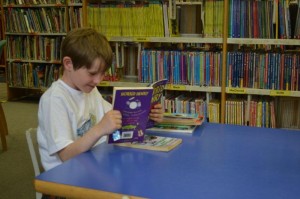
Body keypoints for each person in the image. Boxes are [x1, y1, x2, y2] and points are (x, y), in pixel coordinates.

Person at [37, 27, 164, 172]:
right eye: (92, 73)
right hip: (66, 177)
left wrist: (147, 114)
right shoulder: (54, 100)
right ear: (68, 64)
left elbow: (118, 120)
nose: (98, 80)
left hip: (94, 163)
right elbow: (66, 156)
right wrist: (99, 130)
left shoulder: (89, 89)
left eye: (102, 73)